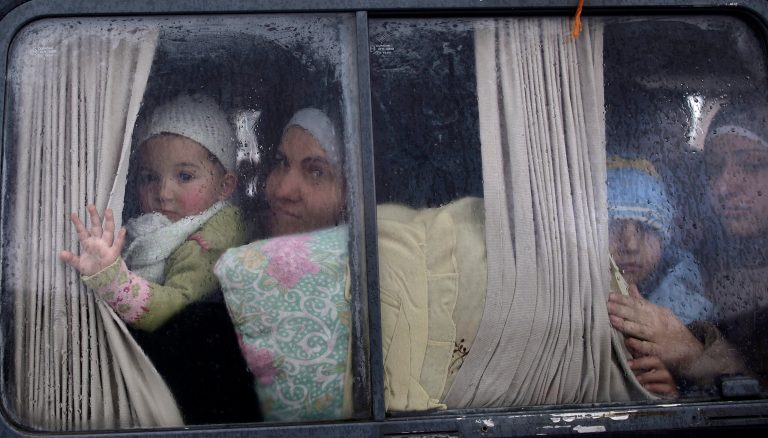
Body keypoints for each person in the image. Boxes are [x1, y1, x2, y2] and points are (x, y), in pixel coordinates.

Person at [215, 107, 350, 421]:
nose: (282, 191)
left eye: (315, 171)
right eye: (281, 163)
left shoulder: (363, 287)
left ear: (348, 193)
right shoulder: (234, 250)